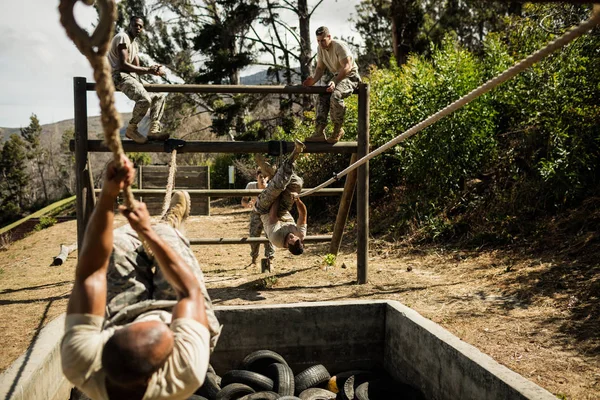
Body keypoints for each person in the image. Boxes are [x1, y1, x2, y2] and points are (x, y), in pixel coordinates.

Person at [61, 155, 222, 400]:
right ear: (157, 372)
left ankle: (146, 233)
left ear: (107, 341)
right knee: (166, 236)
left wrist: (108, 195)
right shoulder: (185, 369)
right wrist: (148, 231)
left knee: (118, 243)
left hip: (123, 314)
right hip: (177, 311)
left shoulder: (82, 360)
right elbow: (189, 292)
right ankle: (170, 222)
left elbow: (90, 272)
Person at [107, 16, 168, 144]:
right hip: (119, 76)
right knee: (144, 99)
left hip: (131, 76)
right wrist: (148, 70)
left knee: (159, 95)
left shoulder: (134, 44)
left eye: (141, 26)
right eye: (135, 25)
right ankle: (131, 129)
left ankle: (153, 130)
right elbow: (123, 64)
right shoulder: (123, 37)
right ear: (129, 25)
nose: (138, 28)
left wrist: (153, 69)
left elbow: (138, 68)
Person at [302, 26, 361, 143]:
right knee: (322, 96)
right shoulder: (320, 49)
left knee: (335, 96)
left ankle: (338, 129)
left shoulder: (339, 46)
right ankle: (319, 132)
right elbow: (320, 68)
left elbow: (347, 67)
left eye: (323, 40)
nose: (321, 43)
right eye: (318, 41)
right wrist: (313, 80)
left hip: (350, 77)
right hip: (337, 77)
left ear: (329, 37)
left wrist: (334, 81)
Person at [254, 140, 307, 255]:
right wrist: (297, 200)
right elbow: (303, 215)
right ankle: (274, 174)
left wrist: (278, 193)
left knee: (278, 186)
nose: (293, 236)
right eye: (296, 238)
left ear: (288, 245)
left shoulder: (276, 239)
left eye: (291, 239)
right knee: (297, 183)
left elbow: (273, 215)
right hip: (283, 209)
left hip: (265, 209)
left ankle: (295, 154)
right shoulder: (300, 235)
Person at [241, 168, 275, 266]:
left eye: (265, 177)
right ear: (256, 177)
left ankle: (270, 259)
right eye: (260, 177)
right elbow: (243, 201)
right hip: (255, 213)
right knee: (254, 236)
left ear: (268, 178)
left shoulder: (271, 187)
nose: (262, 179)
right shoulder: (251, 186)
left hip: (268, 214)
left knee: (269, 236)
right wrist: (247, 204)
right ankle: (254, 259)